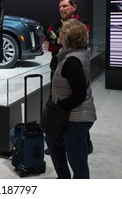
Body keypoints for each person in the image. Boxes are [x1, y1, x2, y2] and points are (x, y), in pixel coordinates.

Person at [45, 19, 96, 179]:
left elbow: (79, 93)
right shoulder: (75, 55)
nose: (58, 34)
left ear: (67, 37)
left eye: (61, 32)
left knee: (78, 163)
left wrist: (58, 107)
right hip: (72, 115)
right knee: (54, 143)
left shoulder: (72, 61)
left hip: (75, 117)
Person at [43, 0, 93, 155]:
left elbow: (83, 43)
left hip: (74, 65)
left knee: (78, 106)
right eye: (60, 7)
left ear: (74, 7)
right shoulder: (55, 24)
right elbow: (48, 47)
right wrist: (57, 42)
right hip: (56, 66)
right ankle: (57, 141)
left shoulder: (83, 24)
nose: (62, 9)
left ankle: (85, 142)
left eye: (65, 6)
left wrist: (56, 41)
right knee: (56, 100)